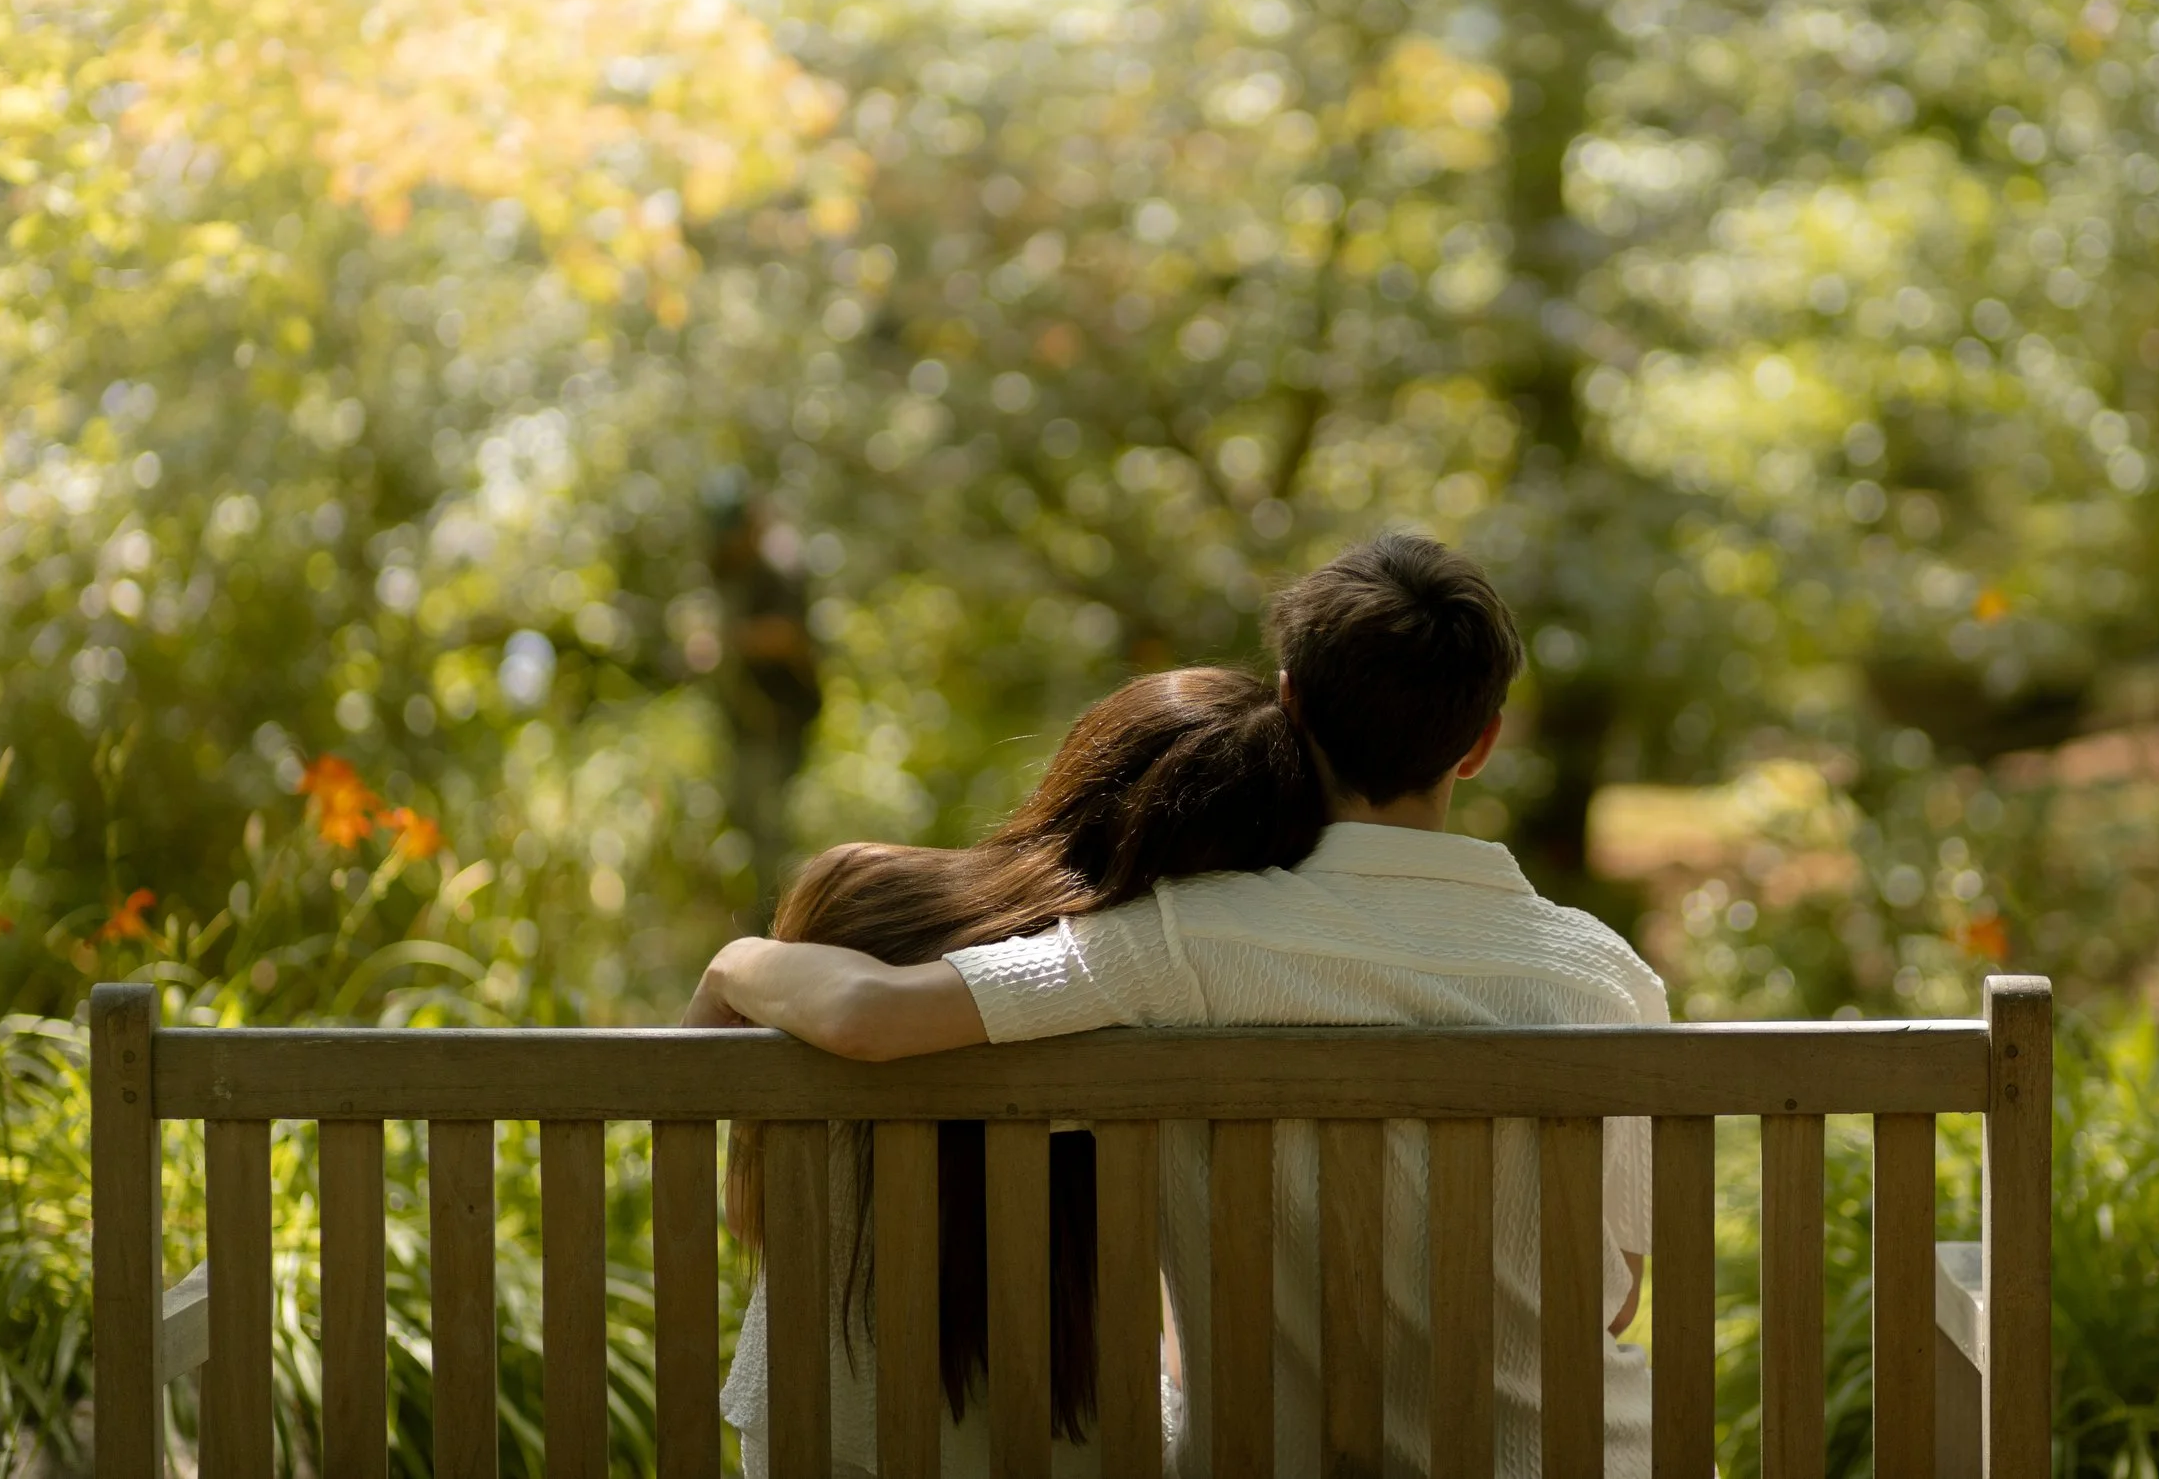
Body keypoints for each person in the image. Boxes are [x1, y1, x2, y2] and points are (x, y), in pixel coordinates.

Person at [691, 532, 1669, 1479]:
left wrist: (739, 957)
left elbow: (873, 1016)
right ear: (1481, 742)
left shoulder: (1188, 941)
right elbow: (1615, 1296)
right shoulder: (1604, 975)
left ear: (1290, 705)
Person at [698, 666, 1327, 1477]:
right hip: (1083, 1446)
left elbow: (750, 1214)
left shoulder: (855, 896)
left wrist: (730, 964)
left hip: (824, 1436)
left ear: (1083, 768)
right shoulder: (1195, 987)